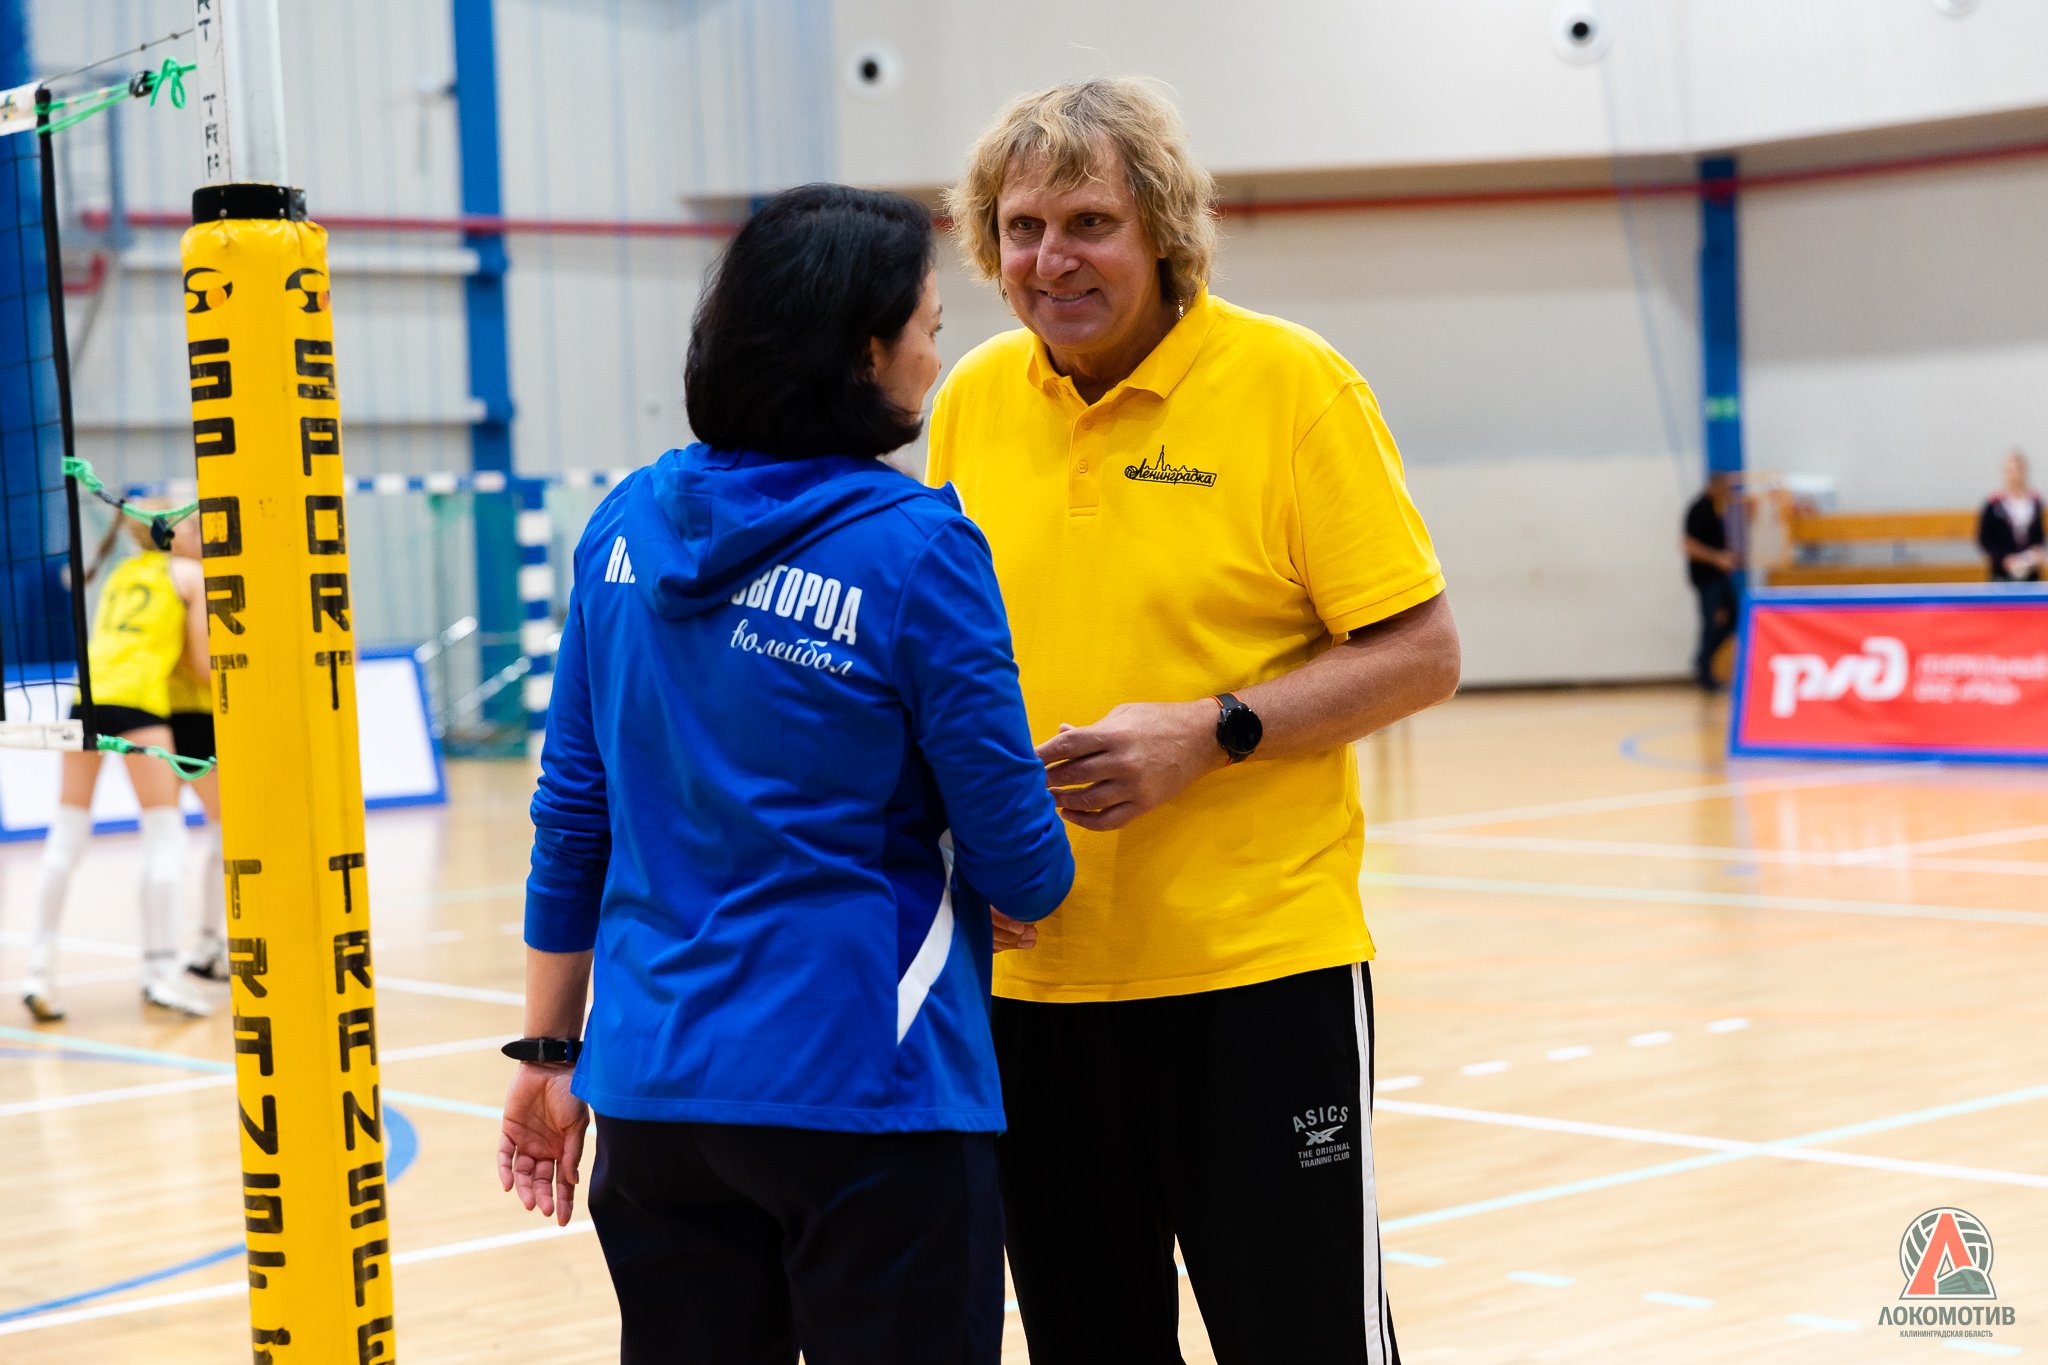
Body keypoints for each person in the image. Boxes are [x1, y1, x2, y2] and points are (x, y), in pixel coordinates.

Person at [497, 183, 1075, 1365]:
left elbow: (572, 817)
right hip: (865, 1088)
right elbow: (1024, 865)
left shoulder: (621, 524)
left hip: (651, 1093)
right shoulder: (918, 546)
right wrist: (996, 872)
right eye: (925, 326)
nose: (935, 353)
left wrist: (550, 1054)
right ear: (864, 354)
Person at [930, 79, 1460, 1365]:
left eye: (1088, 223)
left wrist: (1210, 730)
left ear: (1162, 230)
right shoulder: (971, 399)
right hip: (1032, 981)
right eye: (1020, 227)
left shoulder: (1292, 386)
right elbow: (943, 674)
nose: (1050, 259)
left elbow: (1421, 654)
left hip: (1255, 977)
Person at [26, 506, 220, 1022]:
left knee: (67, 832)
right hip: (137, 705)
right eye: (195, 526)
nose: (204, 534)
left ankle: (37, 971)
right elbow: (203, 667)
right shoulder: (191, 575)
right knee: (164, 834)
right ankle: (161, 974)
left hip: (84, 699)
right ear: (171, 535)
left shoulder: (121, 572)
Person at [1682, 471, 1741, 690]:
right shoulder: (1698, 509)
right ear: (1715, 486)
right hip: (1706, 578)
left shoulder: (1718, 510)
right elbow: (1688, 545)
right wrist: (1717, 558)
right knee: (1711, 622)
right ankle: (1705, 673)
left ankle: (1703, 657)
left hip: (1720, 577)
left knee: (1734, 617)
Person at [1978, 448, 2043, 583]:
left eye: (2019, 469)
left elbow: (2039, 536)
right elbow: (1985, 540)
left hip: (2030, 576)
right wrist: (2003, 559)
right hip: (2001, 575)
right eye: (2010, 471)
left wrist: (2036, 552)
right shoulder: (1994, 504)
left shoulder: (2035, 502)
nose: (2015, 475)